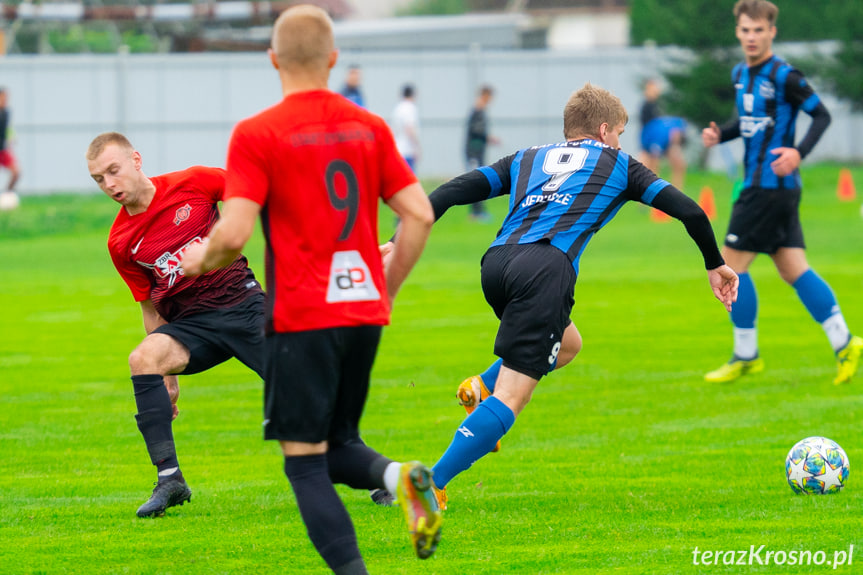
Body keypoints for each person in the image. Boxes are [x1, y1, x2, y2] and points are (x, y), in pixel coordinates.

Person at [379, 83, 738, 508]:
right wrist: (715, 263)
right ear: (605, 130)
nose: (620, 142)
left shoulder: (526, 158)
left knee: (568, 344)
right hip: (545, 268)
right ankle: (430, 485)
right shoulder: (620, 164)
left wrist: (397, 237)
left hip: (496, 264)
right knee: (514, 396)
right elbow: (691, 211)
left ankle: (480, 387)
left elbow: (452, 191)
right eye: (619, 133)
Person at [181, 5, 442, 571]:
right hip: (362, 313)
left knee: (303, 463)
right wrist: (386, 290)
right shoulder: (369, 127)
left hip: (302, 315)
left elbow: (234, 231)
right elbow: (418, 215)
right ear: (333, 58)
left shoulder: (258, 133)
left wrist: (202, 257)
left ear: (272, 58)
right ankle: (405, 479)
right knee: (339, 444)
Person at [86, 132, 266, 518]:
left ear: (136, 160)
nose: (109, 185)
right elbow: (150, 307)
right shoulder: (121, 242)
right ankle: (170, 479)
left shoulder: (194, 182)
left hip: (244, 306)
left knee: (300, 383)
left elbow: (250, 193)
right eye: (99, 179)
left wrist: (223, 238)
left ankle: (371, 475)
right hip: (193, 326)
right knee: (142, 358)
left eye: (113, 171)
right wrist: (168, 377)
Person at [702, 0, 862, 384]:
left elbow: (821, 114)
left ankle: (746, 354)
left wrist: (798, 152)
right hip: (771, 189)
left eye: (759, 30)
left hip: (768, 188)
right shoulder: (741, 72)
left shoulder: (785, 75)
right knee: (794, 269)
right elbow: (748, 121)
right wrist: (720, 134)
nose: (752, 37)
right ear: (738, 32)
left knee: (729, 267)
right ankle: (846, 343)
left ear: (772, 31)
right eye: (745, 30)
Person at [639, 78, 687, 191]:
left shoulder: (657, 105)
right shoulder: (646, 106)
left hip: (663, 141)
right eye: (653, 88)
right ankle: (650, 195)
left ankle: (677, 192)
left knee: (679, 165)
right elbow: (648, 128)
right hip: (651, 141)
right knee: (649, 168)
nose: (656, 91)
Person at [465, 85, 499, 222]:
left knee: (480, 178)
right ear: (485, 95)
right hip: (473, 151)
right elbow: (475, 131)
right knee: (476, 180)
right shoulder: (477, 110)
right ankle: (475, 213)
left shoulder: (481, 110)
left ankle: (478, 212)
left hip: (479, 150)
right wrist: (488, 137)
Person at [0, 87, 21, 208]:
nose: (4, 100)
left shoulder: (7, 112)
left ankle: (7, 194)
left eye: (6, 98)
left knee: (16, 172)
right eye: (2, 97)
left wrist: (12, 137)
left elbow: (8, 129)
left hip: (3, 150)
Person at [391, 84, 420, 172]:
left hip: (398, 149)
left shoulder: (398, 108)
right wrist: (416, 146)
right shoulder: (410, 108)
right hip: (407, 150)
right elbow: (410, 128)